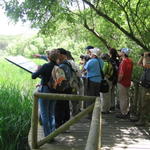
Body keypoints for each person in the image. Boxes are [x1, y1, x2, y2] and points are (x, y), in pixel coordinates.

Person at [32, 49, 59, 137]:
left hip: (45, 90)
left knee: (44, 114)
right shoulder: (58, 67)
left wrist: (37, 70)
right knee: (51, 114)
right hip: (55, 91)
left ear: (48, 57)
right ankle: (52, 134)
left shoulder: (46, 66)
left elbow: (33, 76)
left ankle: (48, 136)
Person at [55, 48, 72, 128]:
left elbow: (59, 80)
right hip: (68, 88)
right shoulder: (68, 63)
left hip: (63, 89)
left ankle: (59, 126)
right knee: (66, 106)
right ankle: (66, 125)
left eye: (58, 54)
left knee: (59, 107)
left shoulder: (62, 66)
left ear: (61, 55)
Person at [116, 48, 133, 119]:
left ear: (123, 53)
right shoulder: (130, 61)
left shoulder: (124, 62)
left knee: (122, 98)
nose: (119, 52)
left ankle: (123, 113)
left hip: (122, 82)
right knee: (126, 97)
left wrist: (118, 80)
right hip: (128, 81)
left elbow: (121, 73)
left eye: (120, 51)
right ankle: (126, 111)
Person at [136, 52, 150, 126]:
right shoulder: (147, 64)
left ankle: (144, 120)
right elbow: (138, 64)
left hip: (148, 87)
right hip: (143, 85)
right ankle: (139, 118)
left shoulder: (147, 65)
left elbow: (145, 64)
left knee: (145, 103)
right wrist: (142, 56)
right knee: (140, 102)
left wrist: (145, 56)